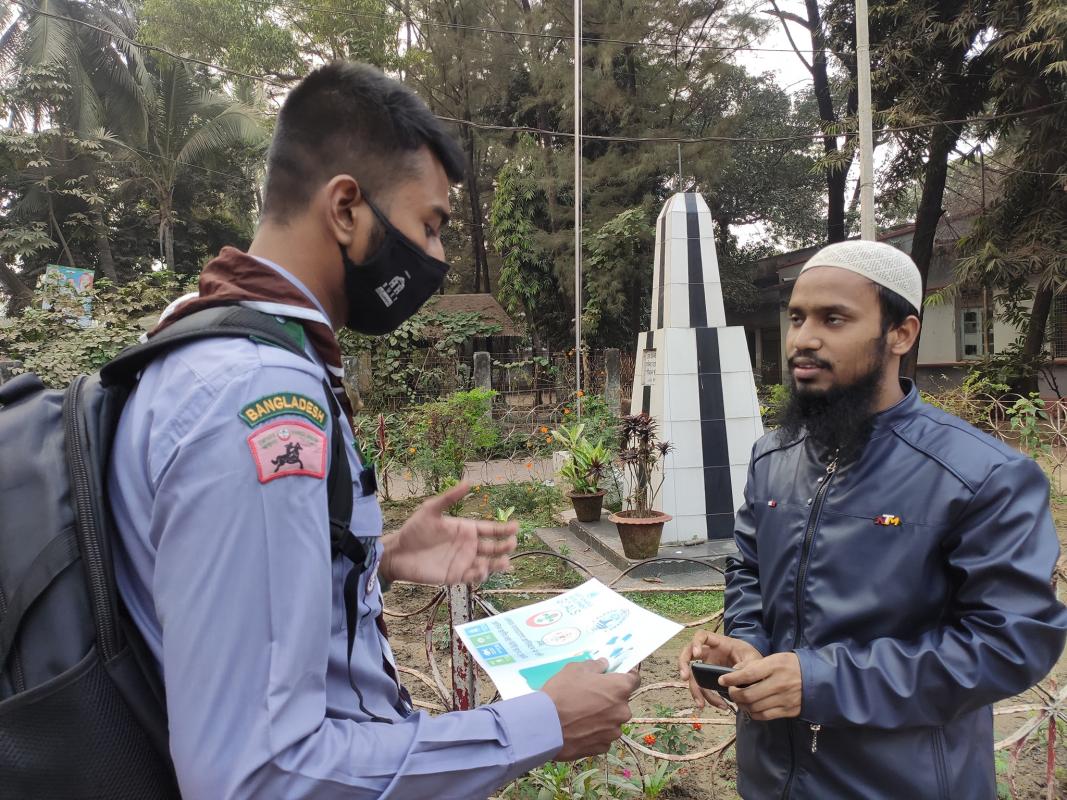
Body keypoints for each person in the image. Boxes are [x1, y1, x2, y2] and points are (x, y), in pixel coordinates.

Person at [108, 62, 637, 800]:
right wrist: (538, 725)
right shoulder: (258, 394)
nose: (439, 258)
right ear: (347, 208)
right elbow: (257, 776)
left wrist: (370, 559)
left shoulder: (211, 342)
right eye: (429, 225)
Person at [678, 240, 1067, 798]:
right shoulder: (773, 456)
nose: (804, 339)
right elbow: (748, 571)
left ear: (900, 335)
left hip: (902, 781)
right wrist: (747, 643)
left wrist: (819, 682)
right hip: (771, 778)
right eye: (797, 318)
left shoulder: (981, 475)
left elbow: (1011, 644)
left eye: (834, 319)